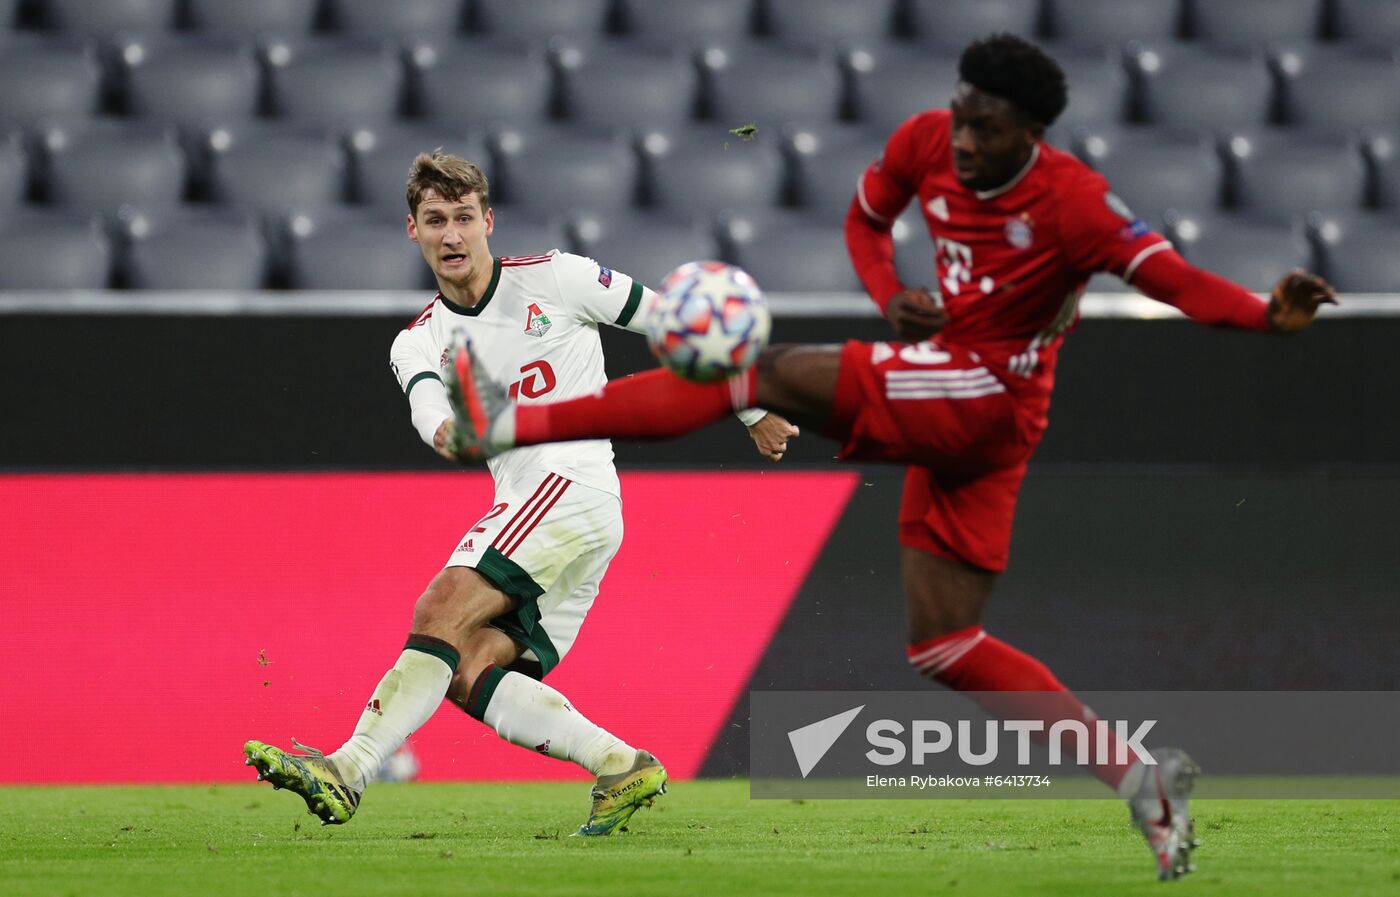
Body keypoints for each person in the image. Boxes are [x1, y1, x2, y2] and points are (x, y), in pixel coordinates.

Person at [441, 36, 1336, 879]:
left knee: (754, 374)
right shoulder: (927, 143)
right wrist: (890, 294)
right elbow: (868, 222)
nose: (965, 137)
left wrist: (1266, 315)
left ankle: (512, 424)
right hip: (962, 405)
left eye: (988, 126)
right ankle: (1144, 780)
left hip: (987, 399)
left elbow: (1174, 279)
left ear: (1034, 134)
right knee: (945, 643)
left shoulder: (1077, 204)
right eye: (960, 113)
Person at [243, 150, 798, 835]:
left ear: (489, 222)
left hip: (570, 487)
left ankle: (350, 766)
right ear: (410, 230)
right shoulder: (419, 339)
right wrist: (443, 428)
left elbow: (673, 322)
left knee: (440, 605)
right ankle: (619, 762)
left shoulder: (558, 279)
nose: (452, 235)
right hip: (569, 518)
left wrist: (749, 406)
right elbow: (424, 402)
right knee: (466, 665)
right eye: (435, 219)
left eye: (464, 218)